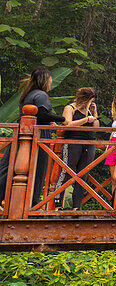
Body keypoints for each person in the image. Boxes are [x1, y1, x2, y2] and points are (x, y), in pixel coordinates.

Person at [6, 68, 67, 206]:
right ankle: (32, 204)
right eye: (50, 79)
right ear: (45, 80)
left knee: (16, 171)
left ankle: (15, 204)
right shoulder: (41, 95)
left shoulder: (28, 94)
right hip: (36, 136)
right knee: (37, 170)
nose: (51, 82)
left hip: (24, 133)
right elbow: (42, 114)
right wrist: (62, 119)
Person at [62, 87, 99, 209]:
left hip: (88, 143)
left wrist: (94, 113)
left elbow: (96, 128)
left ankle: (76, 207)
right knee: (67, 172)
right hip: (73, 142)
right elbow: (68, 124)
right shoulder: (70, 108)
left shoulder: (88, 111)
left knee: (82, 175)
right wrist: (85, 119)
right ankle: (58, 204)